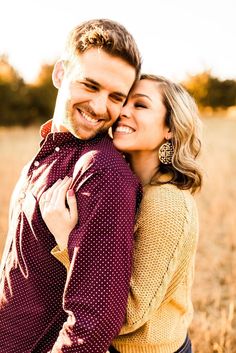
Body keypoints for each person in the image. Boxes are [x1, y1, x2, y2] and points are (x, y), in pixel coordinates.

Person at [0, 19, 142, 353]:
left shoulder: (100, 170)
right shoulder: (50, 151)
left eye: (115, 96)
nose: (99, 107)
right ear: (61, 73)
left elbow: (94, 322)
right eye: (90, 86)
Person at [41, 74, 203, 353]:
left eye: (140, 105)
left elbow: (126, 314)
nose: (123, 112)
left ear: (170, 128)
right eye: (123, 101)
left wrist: (68, 240)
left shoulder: (166, 203)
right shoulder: (128, 183)